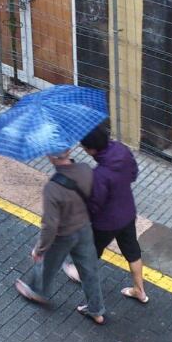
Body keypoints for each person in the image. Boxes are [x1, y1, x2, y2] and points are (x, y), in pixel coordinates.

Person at [14, 150, 106, 325]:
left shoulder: (53, 188)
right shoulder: (85, 169)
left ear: (50, 157)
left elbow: (50, 225)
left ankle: (38, 291)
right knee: (89, 271)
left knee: (48, 264)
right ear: (69, 151)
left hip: (64, 235)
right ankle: (96, 310)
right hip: (85, 227)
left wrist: (40, 249)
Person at [62, 125, 148, 303]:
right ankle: (139, 290)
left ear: (92, 149)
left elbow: (95, 204)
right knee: (132, 251)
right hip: (127, 212)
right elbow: (133, 173)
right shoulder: (122, 150)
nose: (84, 150)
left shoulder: (100, 175)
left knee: (91, 249)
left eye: (85, 148)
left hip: (106, 223)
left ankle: (80, 275)